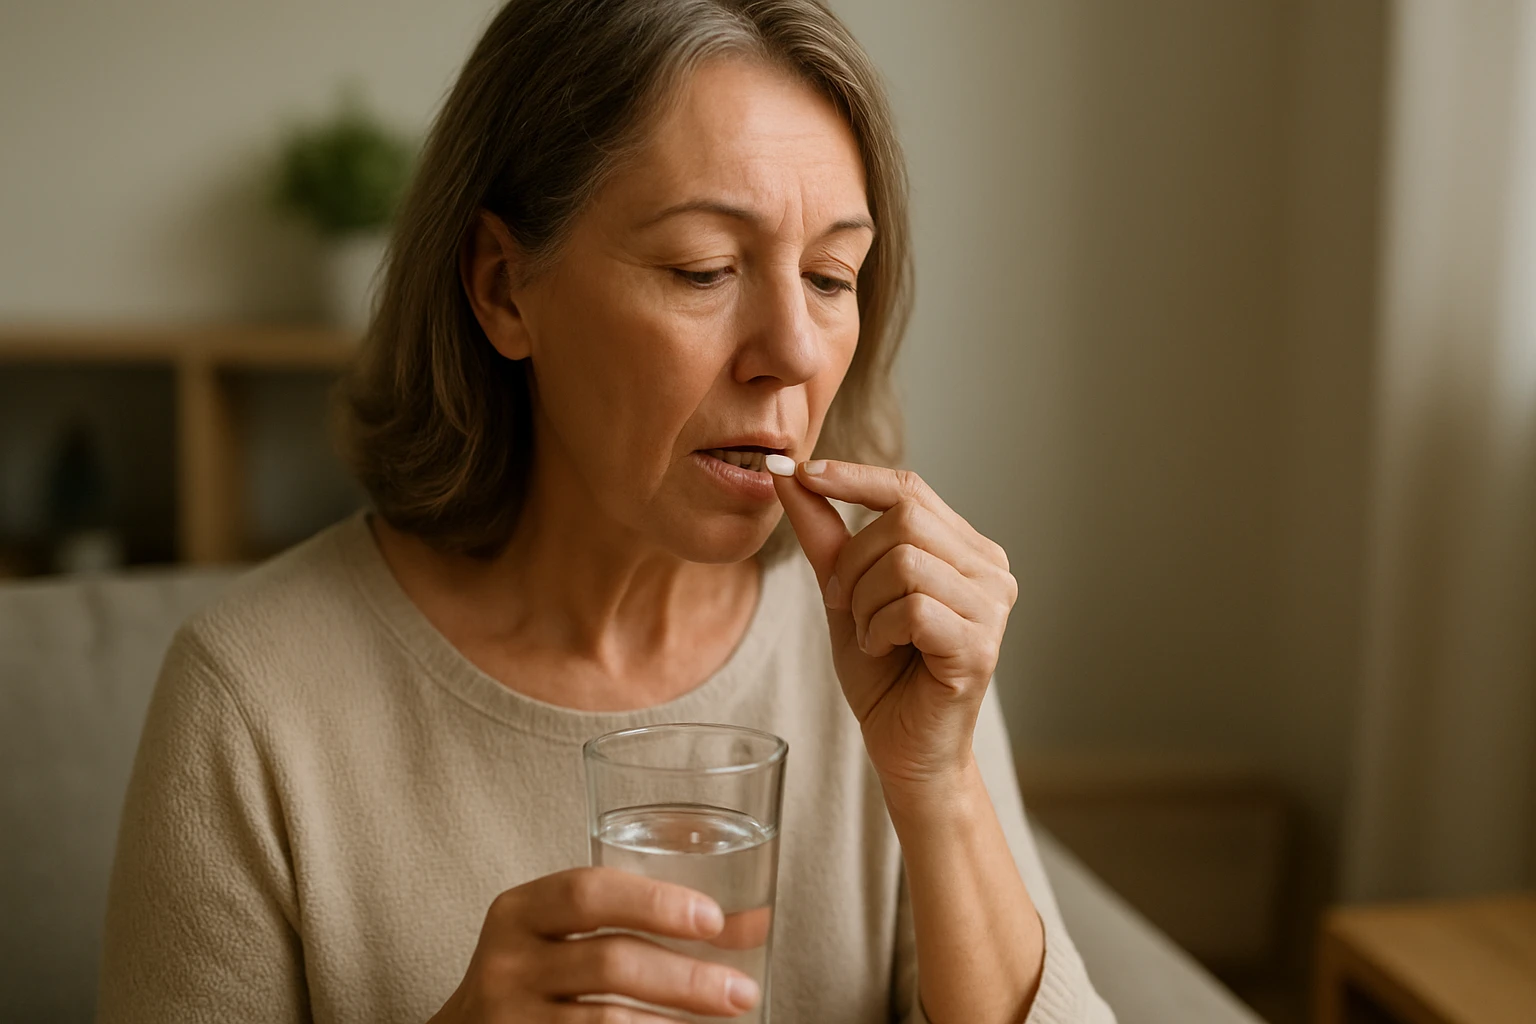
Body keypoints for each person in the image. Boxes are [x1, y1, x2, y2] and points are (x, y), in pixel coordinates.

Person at [98, 1, 1116, 1022]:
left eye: (829, 275)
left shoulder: (883, 639)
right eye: (703, 269)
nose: (796, 352)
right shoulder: (250, 702)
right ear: (502, 288)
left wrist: (937, 780)